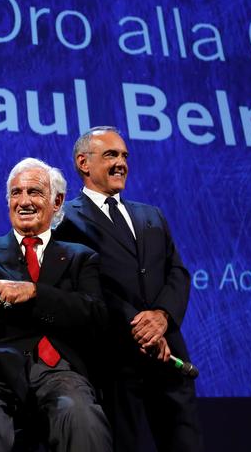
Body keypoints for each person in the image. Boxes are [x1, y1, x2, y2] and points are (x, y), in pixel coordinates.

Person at [53, 127, 203, 452]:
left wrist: (162, 317)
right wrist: (140, 326)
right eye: (111, 155)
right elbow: (89, 286)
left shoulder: (151, 215)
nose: (121, 163)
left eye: (124, 156)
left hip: (168, 355)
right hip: (115, 358)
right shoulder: (66, 220)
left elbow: (176, 272)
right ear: (83, 162)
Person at [0, 157, 112, 452]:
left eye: (34, 192)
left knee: (83, 421)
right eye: (16, 193)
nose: (23, 201)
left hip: (59, 371)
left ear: (57, 201)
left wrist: (35, 292)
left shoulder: (80, 257)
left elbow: (96, 316)